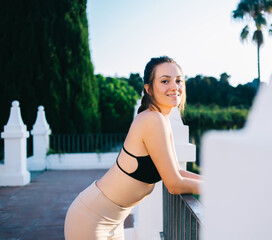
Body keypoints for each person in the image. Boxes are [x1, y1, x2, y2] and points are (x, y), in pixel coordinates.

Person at [64, 56, 202, 240]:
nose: (174, 86)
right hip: (91, 218)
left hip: (114, 221)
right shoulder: (152, 120)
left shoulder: (161, 119)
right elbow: (174, 184)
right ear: (148, 88)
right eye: (164, 81)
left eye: (179, 81)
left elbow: (176, 171)